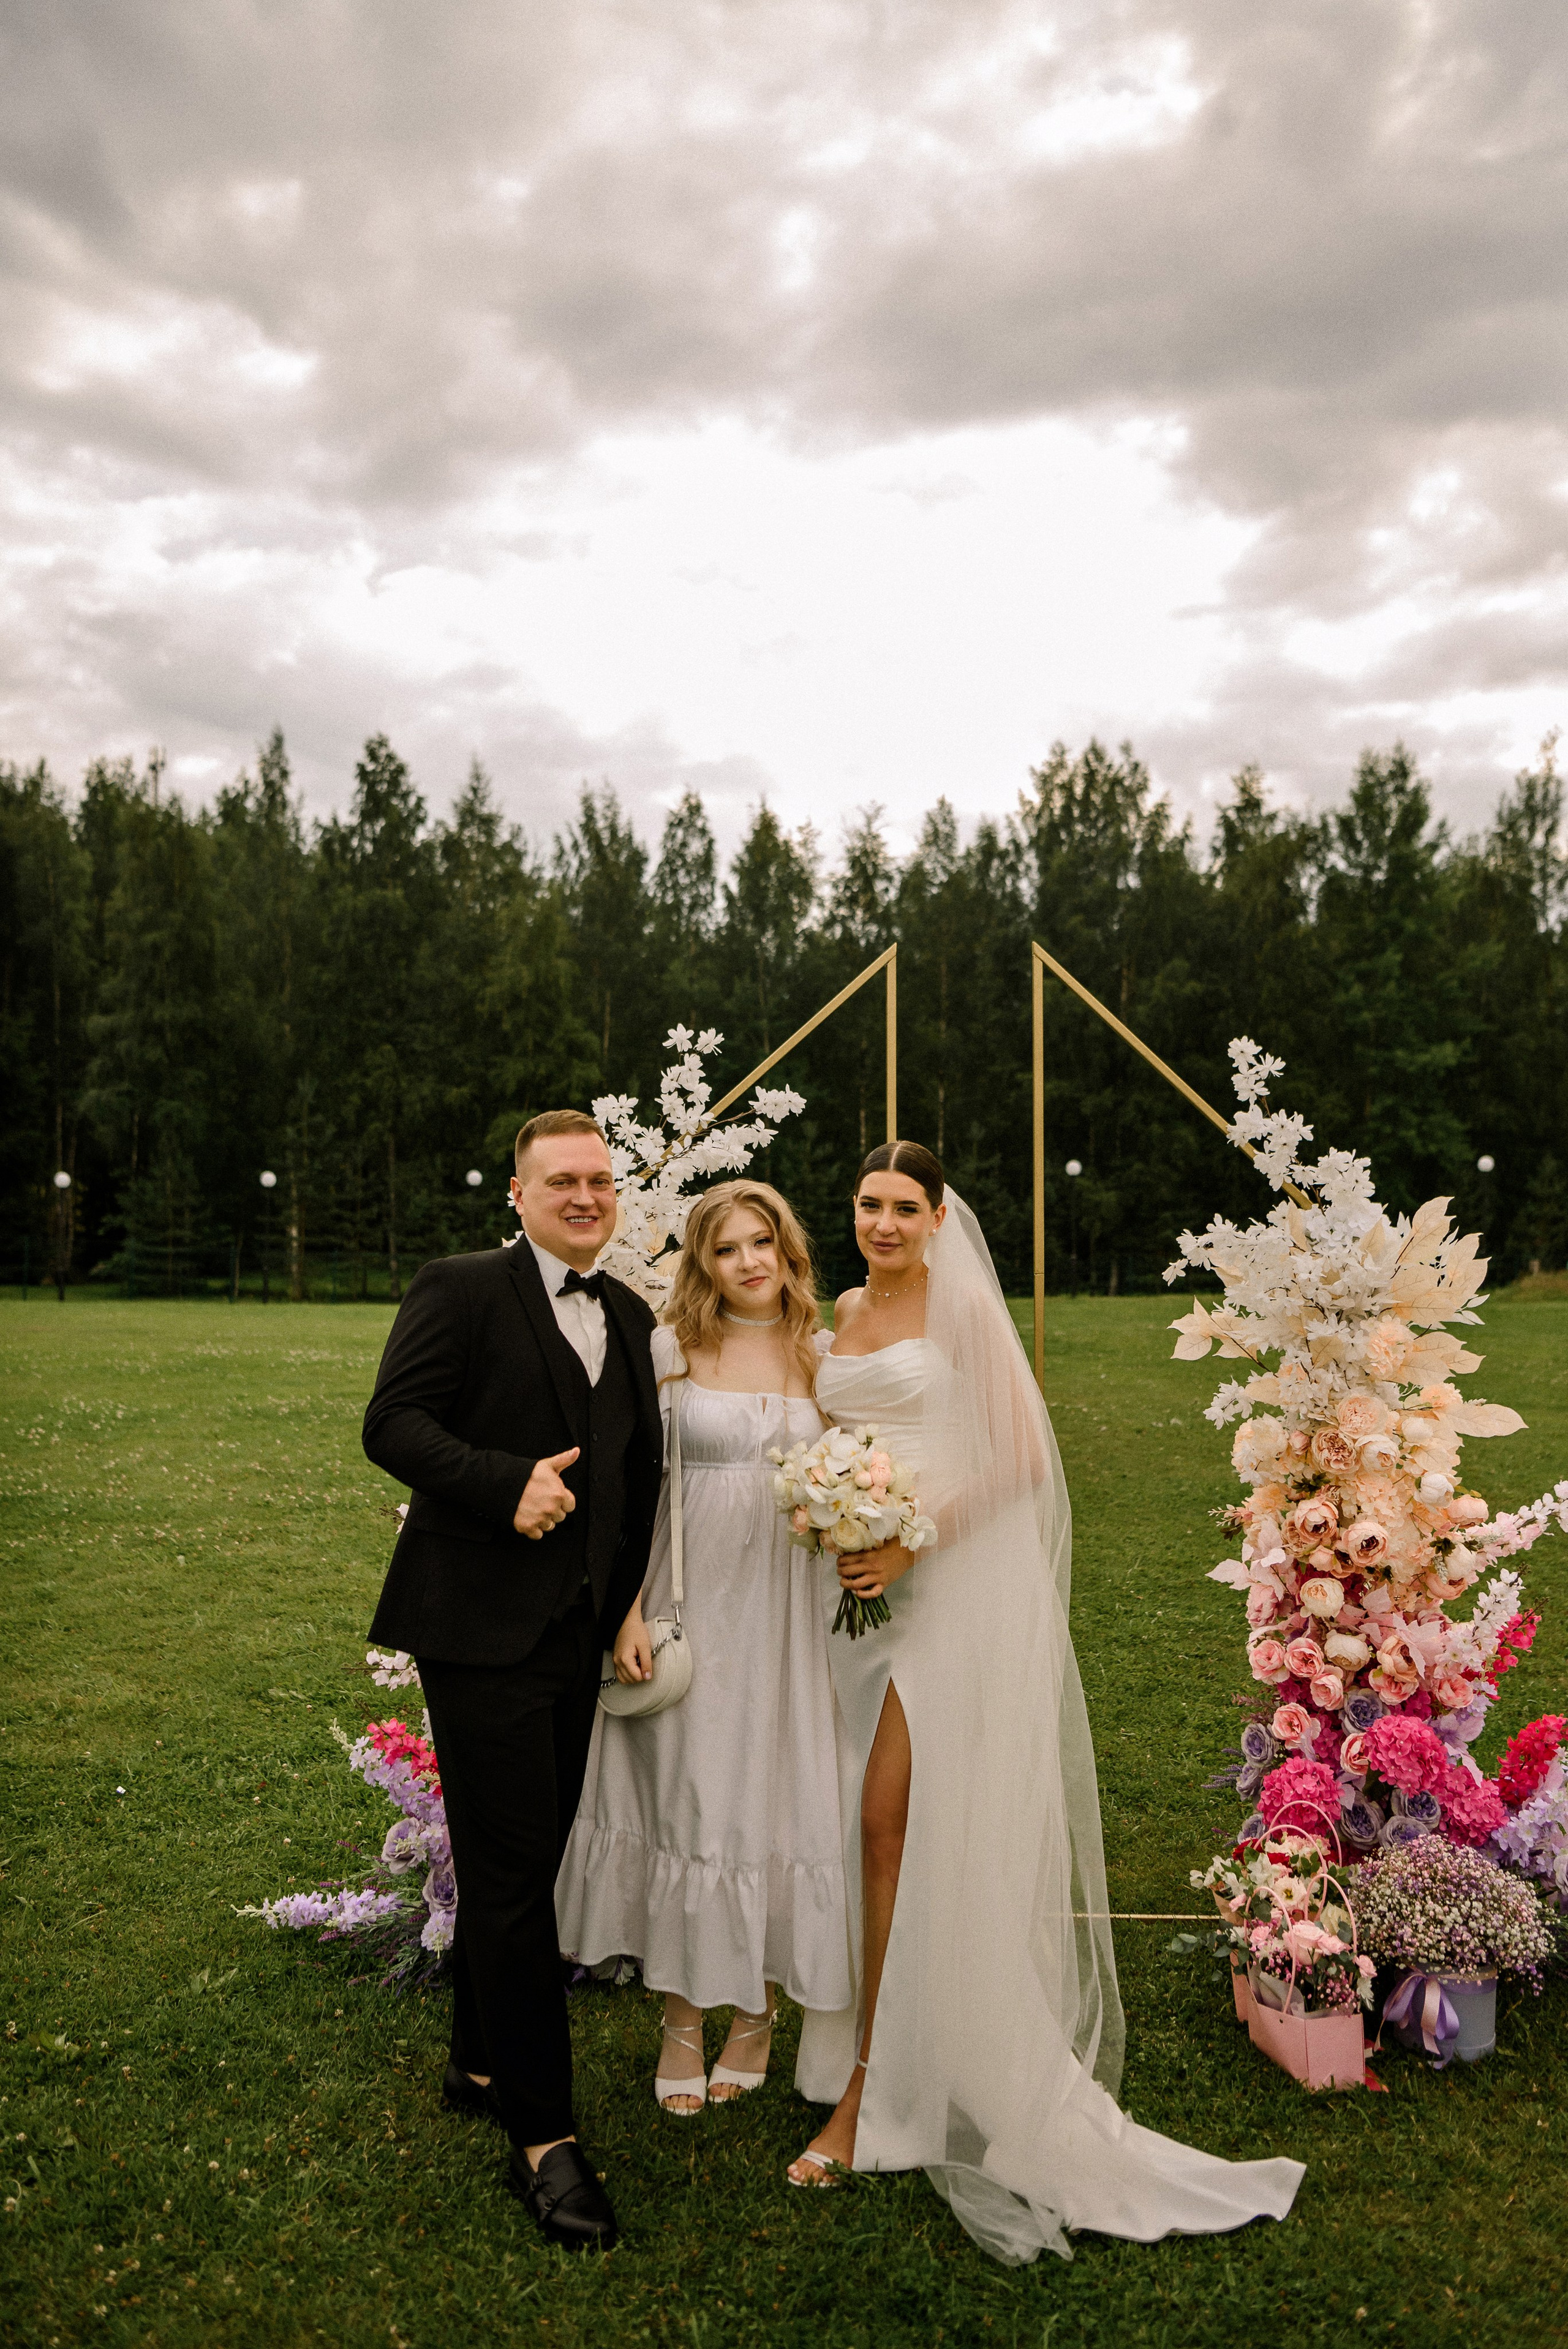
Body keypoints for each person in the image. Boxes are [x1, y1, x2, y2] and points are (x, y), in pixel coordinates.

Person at [789, 1141, 1305, 2262]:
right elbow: (837, 1435)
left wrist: (912, 1544)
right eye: (869, 1205)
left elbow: (1024, 1454)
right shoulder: (840, 1305)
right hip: (861, 1591)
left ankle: (876, 2090)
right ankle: (889, 2047)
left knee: (893, 1826)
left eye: (903, 1208)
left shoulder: (962, 1312)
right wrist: (831, 1508)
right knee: (867, 1831)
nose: (883, 1224)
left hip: (948, 1587)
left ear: (937, 1218)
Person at [362, 1108, 662, 2251]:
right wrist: (504, 1485)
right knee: (508, 1871)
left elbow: (640, 1473)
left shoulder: (628, 1314)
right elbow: (392, 1424)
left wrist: (622, 1597)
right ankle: (544, 2140)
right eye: (561, 1182)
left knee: (525, 1854)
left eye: (600, 1180)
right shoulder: (460, 1287)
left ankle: (479, 2061)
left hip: (576, 1633)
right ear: (519, 1194)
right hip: (476, 1621)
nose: (584, 1197)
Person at [556, 1180, 850, 2111]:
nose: (749, 1263)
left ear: (787, 1249)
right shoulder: (666, 1353)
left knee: (774, 1799)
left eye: (762, 1242)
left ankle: (756, 2011)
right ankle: (684, 2015)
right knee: (693, 1795)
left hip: (797, 1609)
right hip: (692, 1603)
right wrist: (626, 1609)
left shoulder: (828, 1357)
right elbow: (625, 1490)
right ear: (703, 1264)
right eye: (726, 1250)